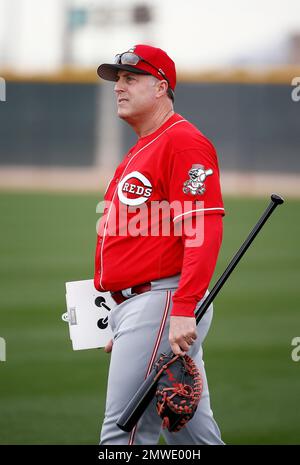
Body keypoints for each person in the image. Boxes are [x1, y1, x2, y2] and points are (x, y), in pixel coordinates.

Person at [94, 44, 225, 445]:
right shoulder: (144, 147)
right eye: (117, 80)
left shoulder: (182, 142)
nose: (119, 87)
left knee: (123, 436)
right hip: (147, 309)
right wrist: (124, 313)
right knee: (195, 438)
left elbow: (202, 229)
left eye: (131, 78)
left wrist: (182, 308)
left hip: (164, 303)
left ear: (161, 88)